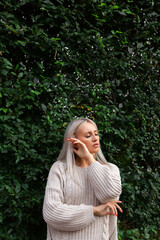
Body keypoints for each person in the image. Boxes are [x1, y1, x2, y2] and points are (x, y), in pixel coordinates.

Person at [43, 118, 122, 240]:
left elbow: (109, 195)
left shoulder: (111, 170)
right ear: (74, 141)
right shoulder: (59, 169)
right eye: (88, 135)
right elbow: (51, 213)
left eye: (96, 134)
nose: (95, 138)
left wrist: (90, 159)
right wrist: (94, 210)